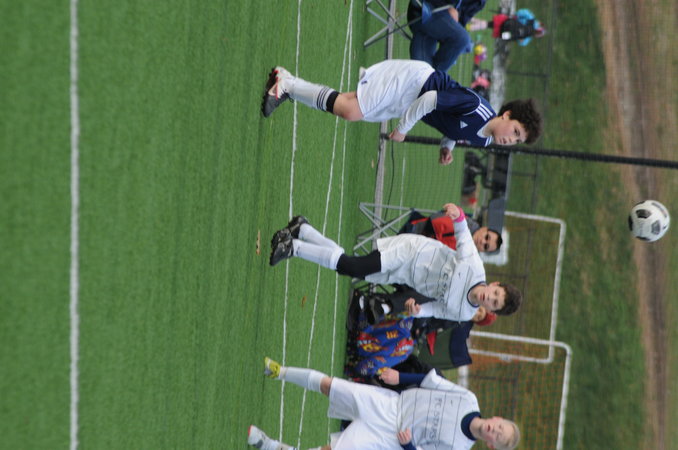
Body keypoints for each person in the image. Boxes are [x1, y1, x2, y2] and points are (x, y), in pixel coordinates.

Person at [268, 204, 521, 321]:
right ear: (495, 284)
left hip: (405, 275)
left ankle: (302, 229)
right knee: (352, 267)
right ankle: (293, 247)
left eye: (494, 303)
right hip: (412, 251)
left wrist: (418, 311)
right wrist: (458, 215)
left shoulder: (465, 313)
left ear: (492, 311)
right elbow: (464, 236)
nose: (490, 298)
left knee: (351, 267)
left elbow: (437, 310)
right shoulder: (475, 268)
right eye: (495, 293)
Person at [261, 59, 542, 164]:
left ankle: (287, 82)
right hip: (413, 82)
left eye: (517, 140)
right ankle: (285, 85)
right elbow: (431, 99)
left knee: (349, 105)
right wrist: (403, 128)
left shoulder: (486, 140)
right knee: (351, 110)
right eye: (515, 131)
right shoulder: (475, 105)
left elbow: (457, 128)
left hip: (410, 99)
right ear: (507, 115)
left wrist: (448, 145)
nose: (511, 139)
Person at [247, 357, 520, 449]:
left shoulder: (460, 447)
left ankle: (268, 444)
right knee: (331, 386)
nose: (494, 431)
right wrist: (400, 377)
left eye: (498, 437)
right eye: (500, 427)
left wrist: (408, 445)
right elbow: (432, 381)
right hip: (390, 405)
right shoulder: (469, 399)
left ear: (491, 445)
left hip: (389, 440)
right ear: (496, 419)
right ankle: (278, 371)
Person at [406, 0, 487, 72]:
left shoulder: (480, 2)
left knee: (424, 74)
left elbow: (461, 22)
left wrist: (454, 20)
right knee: (462, 39)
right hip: (425, 10)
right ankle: (434, 78)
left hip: (433, 31)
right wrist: (448, 8)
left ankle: (433, 78)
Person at [401, 209, 502, 253]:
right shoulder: (463, 221)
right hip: (416, 233)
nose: (482, 241)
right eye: (486, 237)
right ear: (484, 229)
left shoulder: (468, 256)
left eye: (486, 246)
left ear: (482, 251)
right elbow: (434, 222)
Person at [468, 8, 546, 46]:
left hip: (508, 22)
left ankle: (470, 24)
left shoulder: (531, 19)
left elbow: (522, 12)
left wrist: (516, 15)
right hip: (506, 33)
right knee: (488, 24)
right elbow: (521, 42)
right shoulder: (529, 35)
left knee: (488, 24)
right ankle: (470, 22)